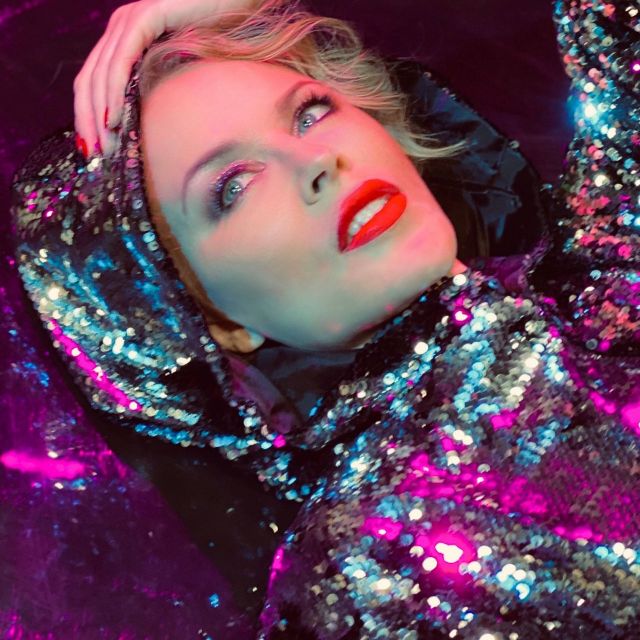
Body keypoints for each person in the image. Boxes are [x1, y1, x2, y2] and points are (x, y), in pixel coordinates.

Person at [9, 0, 639, 638]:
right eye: (233, 186)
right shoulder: (367, 561)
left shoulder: (600, 263)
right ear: (216, 326)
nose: (315, 162)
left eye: (310, 113)